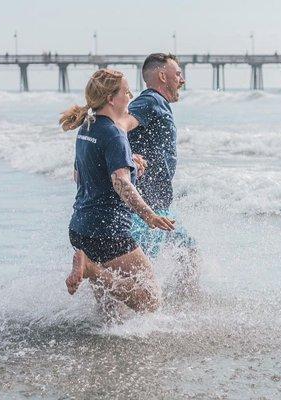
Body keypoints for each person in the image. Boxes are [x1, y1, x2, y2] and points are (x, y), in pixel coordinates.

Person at [59, 69, 175, 313]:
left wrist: (128, 161)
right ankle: (90, 268)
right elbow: (120, 183)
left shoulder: (88, 128)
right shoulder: (114, 134)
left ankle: (105, 341)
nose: (131, 97)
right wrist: (149, 215)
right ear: (112, 99)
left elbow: (80, 174)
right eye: (127, 92)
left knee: (109, 310)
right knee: (150, 299)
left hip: (80, 227)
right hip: (107, 230)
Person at [118, 53, 200, 296]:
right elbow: (119, 125)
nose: (182, 80)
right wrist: (126, 156)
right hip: (144, 208)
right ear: (162, 76)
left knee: (189, 252)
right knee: (139, 273)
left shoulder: (156, 104)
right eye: (178, 74)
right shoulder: (150, 100)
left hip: (160, 206)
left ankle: (185, 303)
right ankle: (122, 318)